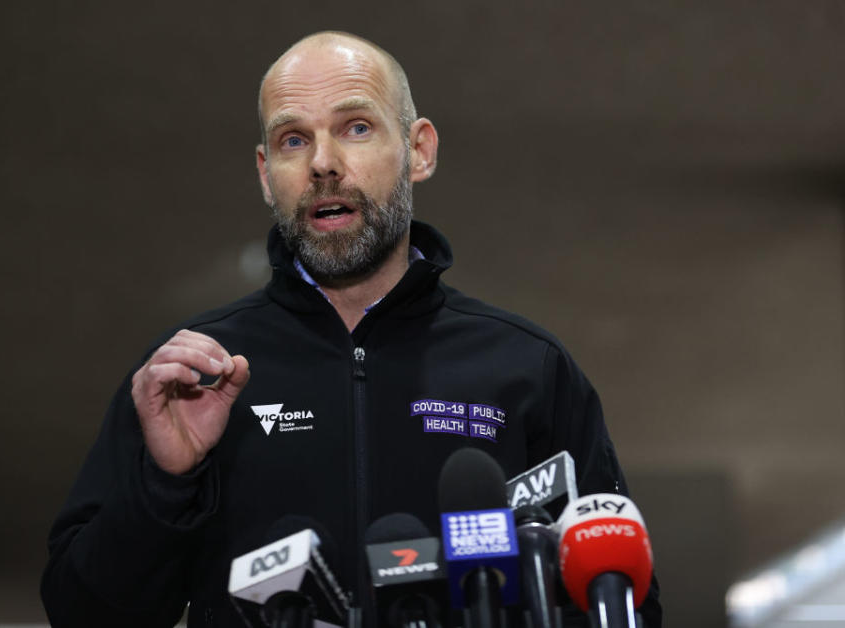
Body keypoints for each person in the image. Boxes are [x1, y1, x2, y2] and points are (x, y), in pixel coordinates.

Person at [41, 31, 662, 627]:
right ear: (265, 174)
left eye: (356, 128)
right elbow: (84, 614)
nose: (322, 164)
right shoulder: (190, 373)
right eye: (291, 140)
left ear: (419, 150)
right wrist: (165, 483)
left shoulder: (529, 367)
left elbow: (626, 602)